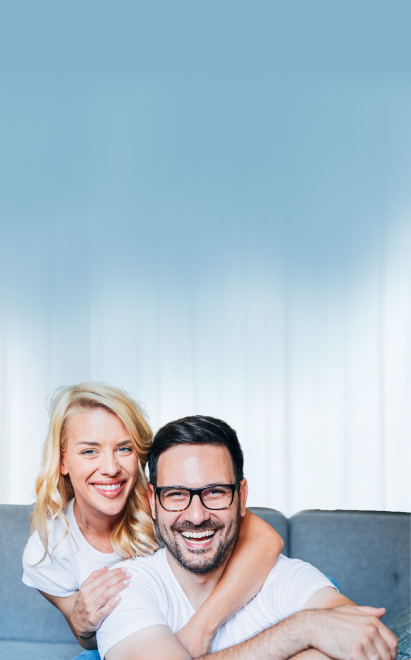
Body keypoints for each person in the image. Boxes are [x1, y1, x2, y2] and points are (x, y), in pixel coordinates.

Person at [96, 415, 399, 660]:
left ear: (242, 497)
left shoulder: (286, 576)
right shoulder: (123, 588)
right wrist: (300, 630)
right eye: (176, 494)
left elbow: (361, 639)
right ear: (151, 501)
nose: (197, 516)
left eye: (215, 492)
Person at [22, 383, 284, 658]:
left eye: (124, 448)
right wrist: (81, 624)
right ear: (63, 461)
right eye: (90, 451)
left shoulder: (171, 505)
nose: (110, 468)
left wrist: (202, 628)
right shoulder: (46, 552)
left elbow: (267, 540)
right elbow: (91, 640)